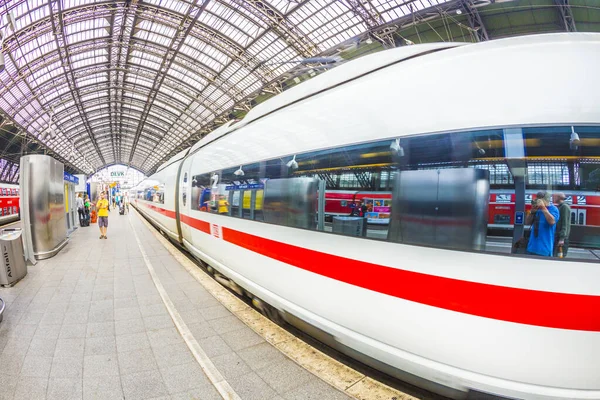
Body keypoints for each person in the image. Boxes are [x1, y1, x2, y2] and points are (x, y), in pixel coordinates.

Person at [525, 191, 559, 257]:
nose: (537, 201)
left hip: (545, 249)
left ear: (546, 200)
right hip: (531, 248)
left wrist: (543, 208)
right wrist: (532, 212)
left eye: (539, 200)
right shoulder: (537, 209)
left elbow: (552, 221)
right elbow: (527, 222)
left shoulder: (554, 209)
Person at [553, 192, 572, 257]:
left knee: (560, 257)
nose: (553, 197)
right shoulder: (560, 207)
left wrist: (562, 238)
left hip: (561, 238)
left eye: (555, 196)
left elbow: (565, 223)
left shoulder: (564, 207)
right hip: (559, 236)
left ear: (559, 197)